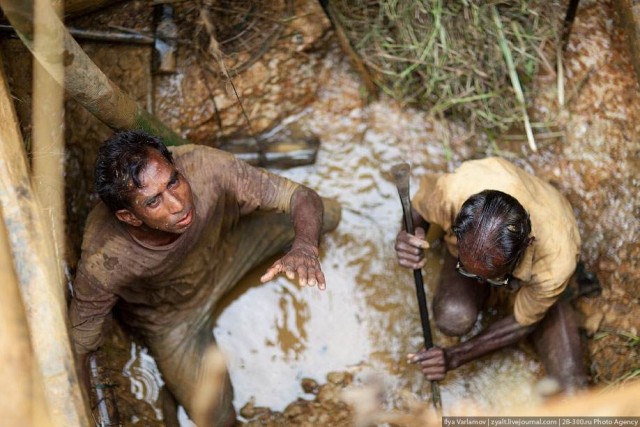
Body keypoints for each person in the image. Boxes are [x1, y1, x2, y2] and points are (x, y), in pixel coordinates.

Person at [68, 130, 340, 426]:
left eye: (173, 181)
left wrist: (304, 247)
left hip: (229, 251)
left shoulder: (205, 165)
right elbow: (80, 342)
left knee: (327, 215)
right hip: (174, 319)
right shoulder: (104, 257)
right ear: (129, 217)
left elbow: (299, 195)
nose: (178, 204)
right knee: (217, 419)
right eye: (153, 202)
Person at [395, 157, 588, 392]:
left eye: (492, 277)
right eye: (466, 267)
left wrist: (454, 356)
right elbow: (419, 209)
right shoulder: (457, 190)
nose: (478, 282)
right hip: (488, 245)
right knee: (452, 318)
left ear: (528, 245)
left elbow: (522, 322)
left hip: (541, 270)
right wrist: (407, 237)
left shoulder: (556, 261)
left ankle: (513, 284)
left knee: (573, 387)